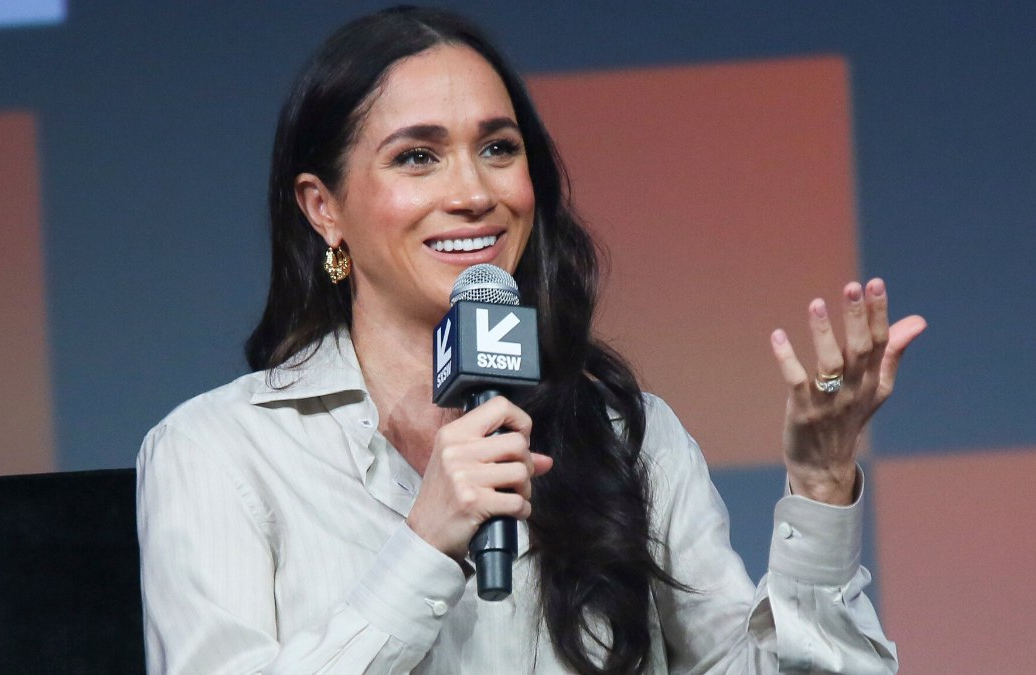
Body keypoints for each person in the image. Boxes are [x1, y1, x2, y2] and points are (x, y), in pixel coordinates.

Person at [137, 6, 926, 674]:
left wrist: (821, 482)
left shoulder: (626, 436)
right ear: (324, 208)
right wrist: (424, 544)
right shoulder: (218, 451)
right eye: (418, 157)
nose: (474, 192)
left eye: (498, 148)